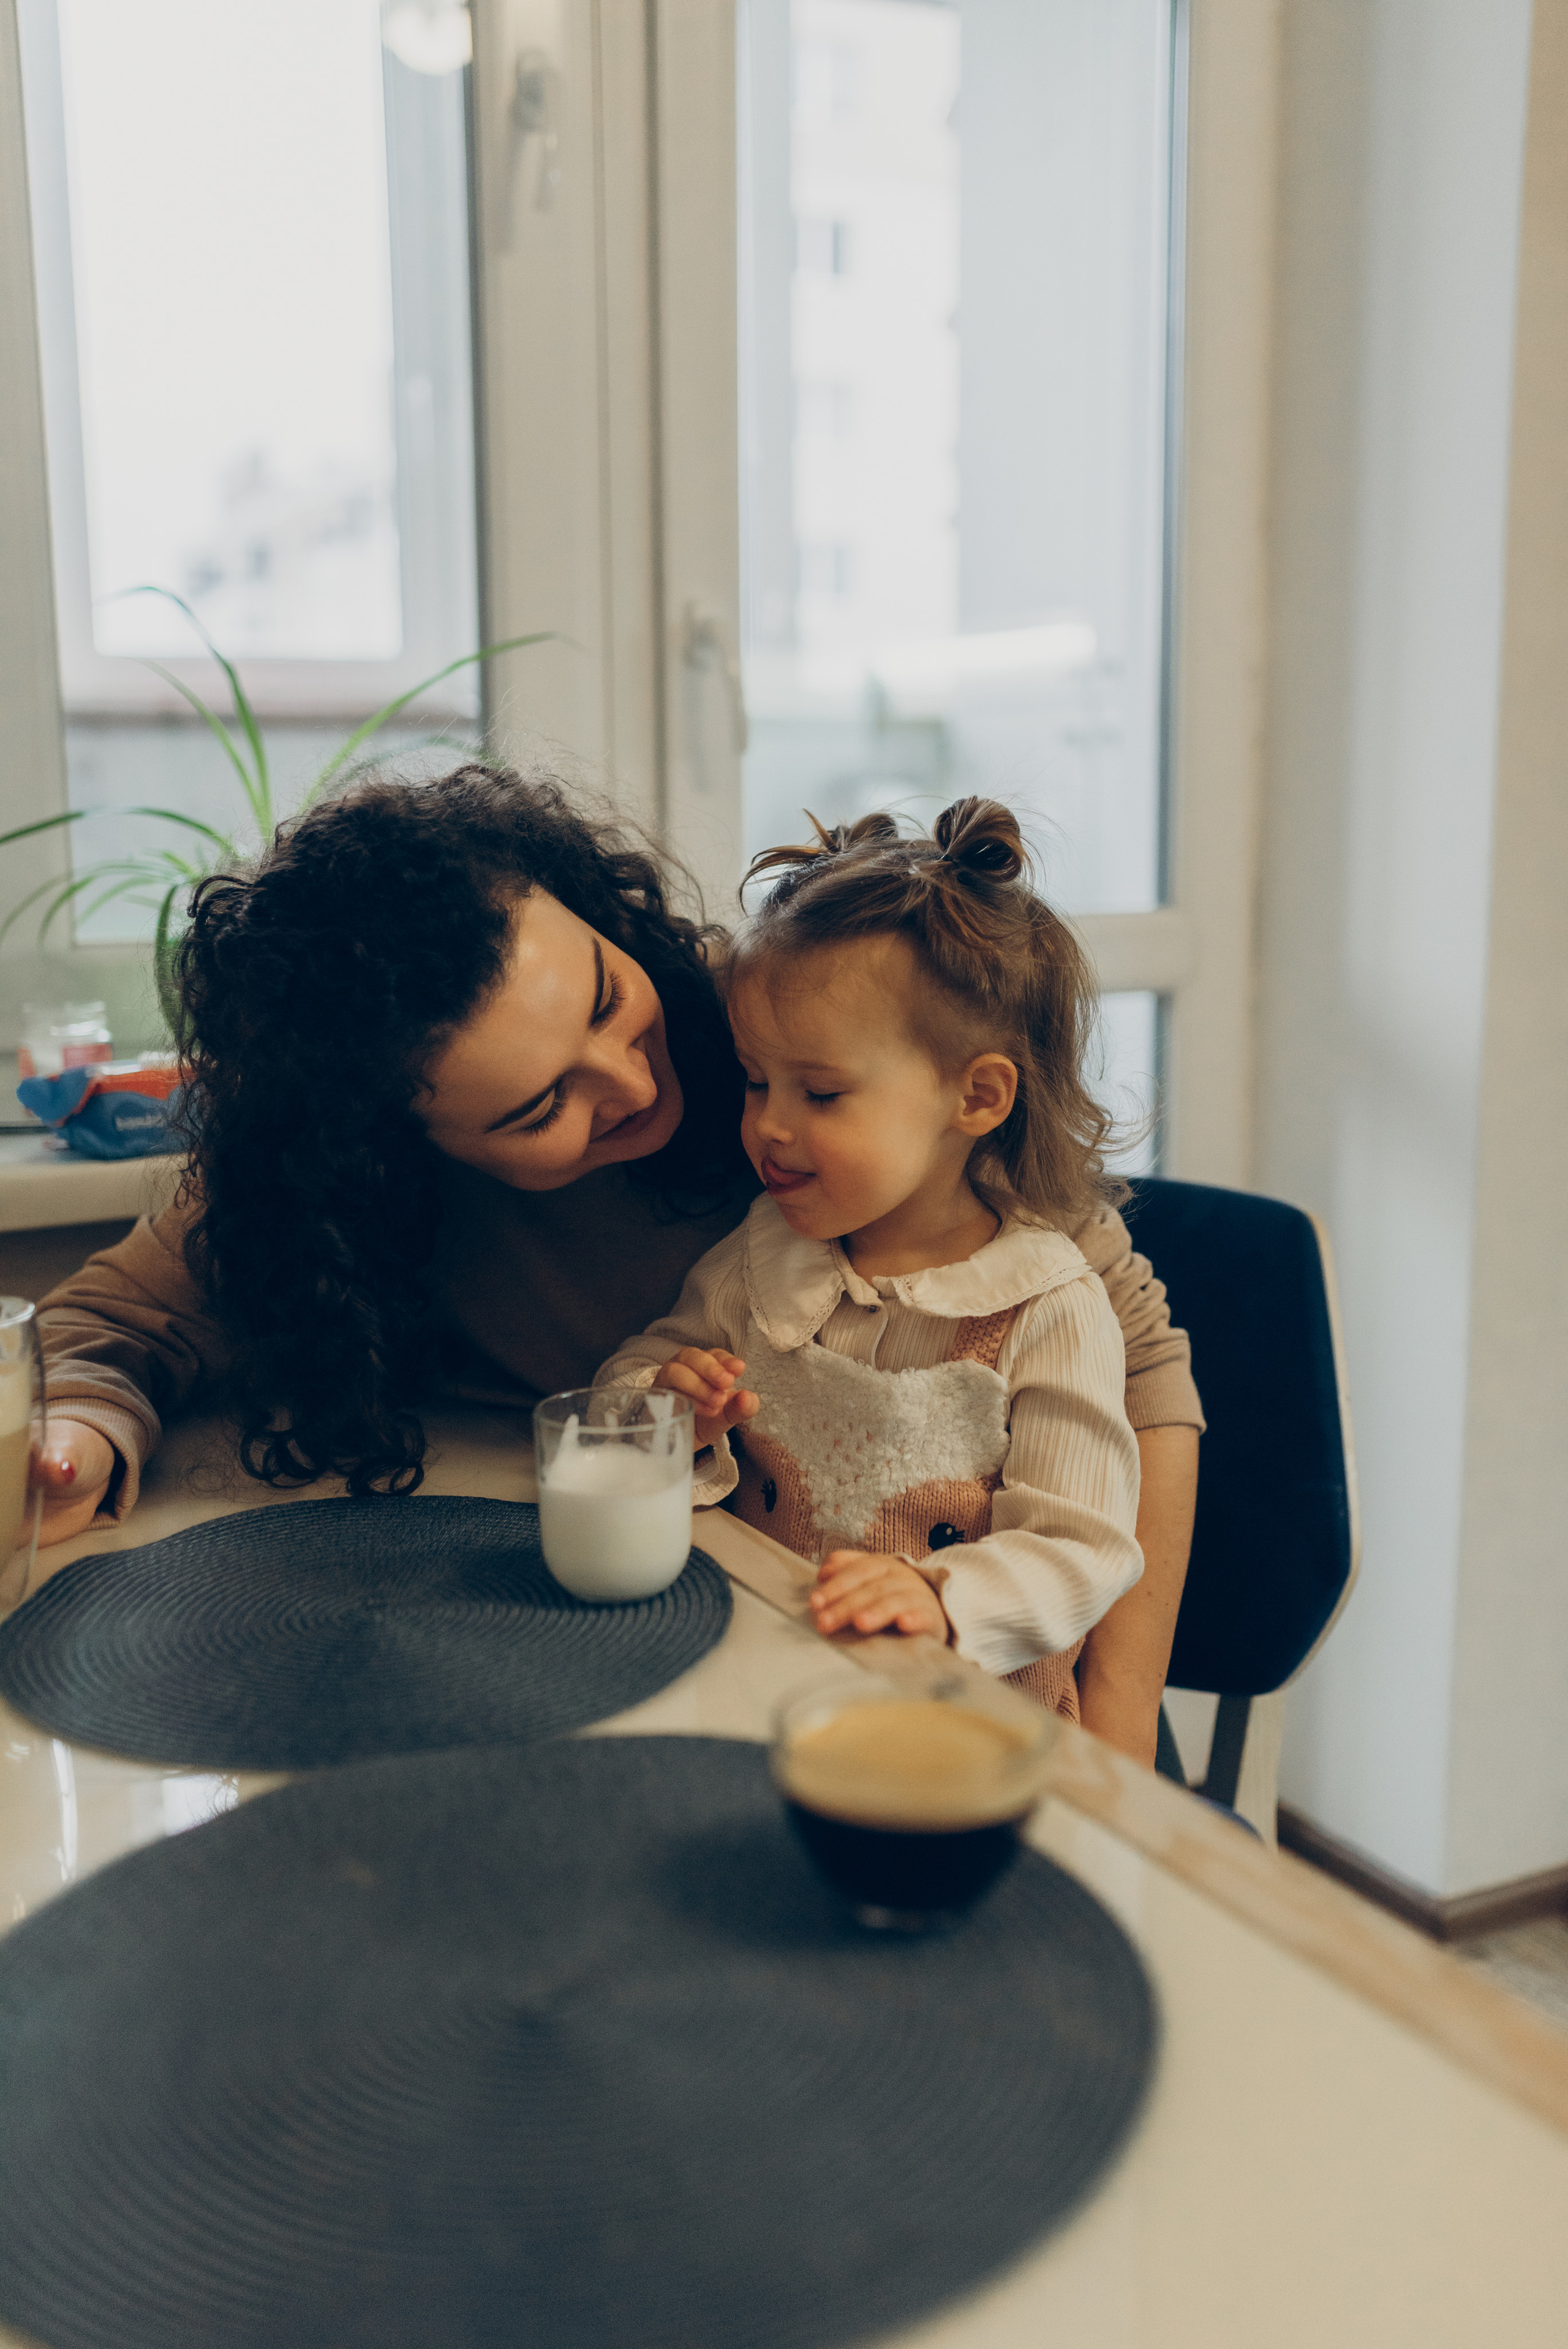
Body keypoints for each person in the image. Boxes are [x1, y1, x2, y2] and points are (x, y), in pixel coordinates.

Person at [30, 765, 1200, 1760]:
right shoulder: (341, 1188)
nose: (637, 1083)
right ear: (396, 1152)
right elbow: (111, 1324)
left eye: (604, 999)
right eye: (541, 1106)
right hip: (681, 1651)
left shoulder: (791, 1024)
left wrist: (1121, 1741)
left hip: (971, 1683)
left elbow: (1139, 1364)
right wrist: (78, 1435)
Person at [595, 800, 1145, 1715]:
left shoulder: (1050, 1306)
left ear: (978, 1097)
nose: (769, 1126)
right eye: (756, 1081)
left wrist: (941, 1597)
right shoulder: (760, 1258)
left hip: (964, 1727)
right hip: (770, 1687)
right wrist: (665, 1412)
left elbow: (1081, 1547)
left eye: (820, 1093)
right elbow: (625, 1386)